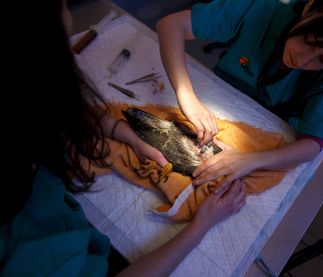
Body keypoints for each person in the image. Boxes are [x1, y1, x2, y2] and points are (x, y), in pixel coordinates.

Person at [0, 0, 246, 276]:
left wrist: (129, 136)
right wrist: (200, 226)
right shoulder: (27, 237)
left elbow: (64, 114)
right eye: (63, 4)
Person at [156, 0, 323, 192]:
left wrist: (252, 160)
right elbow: (170, 25)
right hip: (219, 97)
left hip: (268, 129)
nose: (301, 61)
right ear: (309, 7)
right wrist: (186, 95)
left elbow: (313, 144)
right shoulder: (259, 10)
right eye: (309, 41)